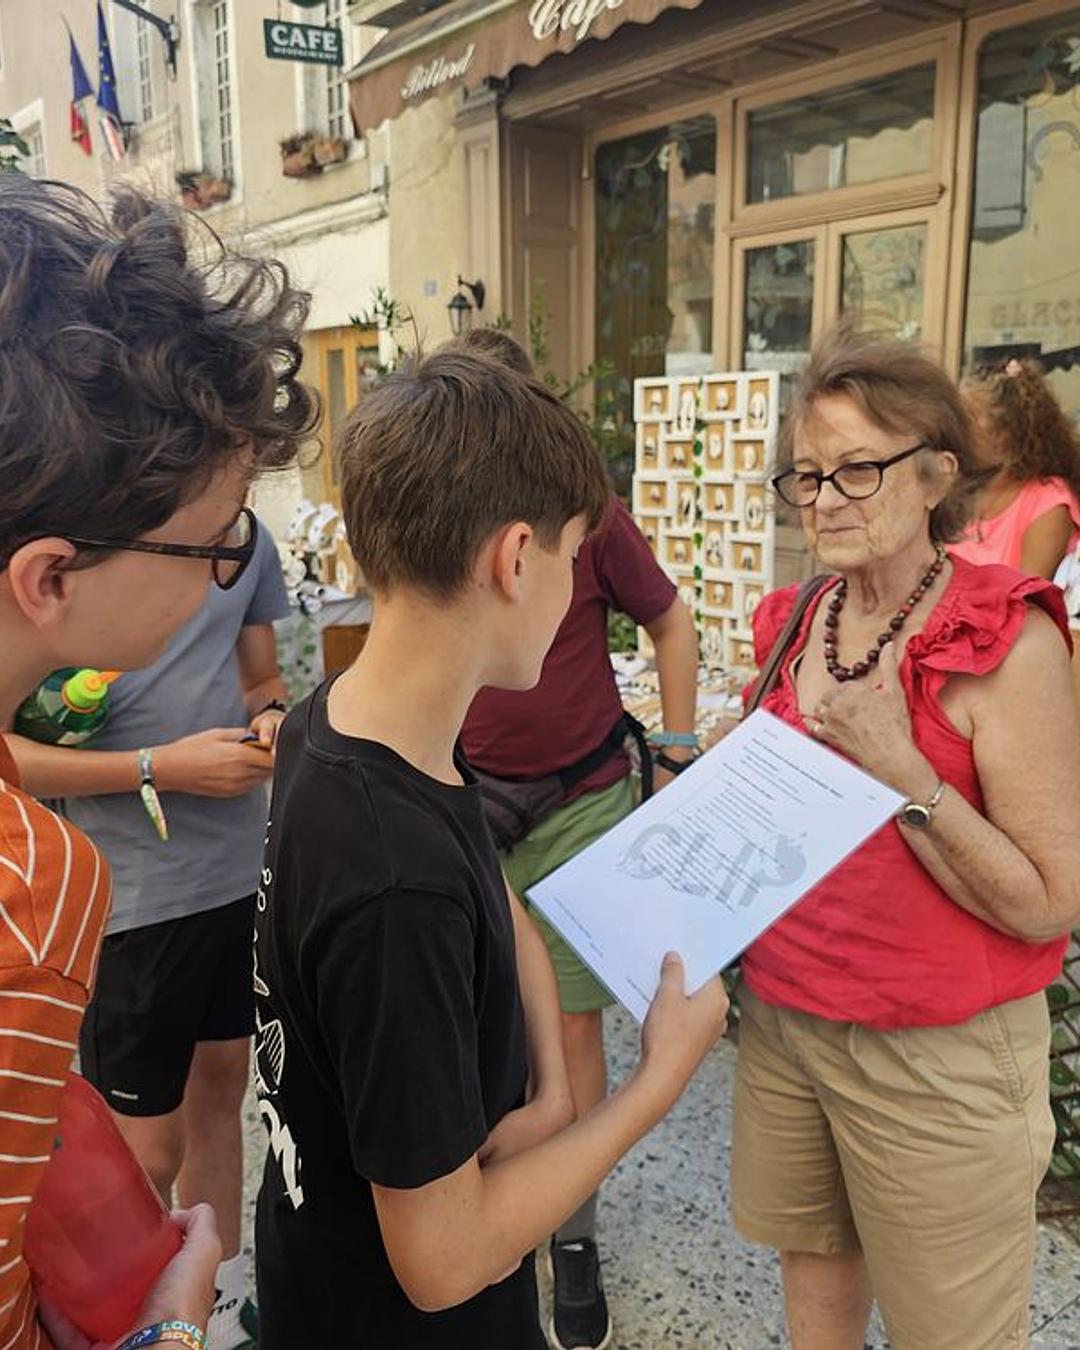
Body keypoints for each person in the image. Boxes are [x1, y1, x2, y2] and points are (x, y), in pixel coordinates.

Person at [253, 346, 729, 1348]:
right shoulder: (396, 886)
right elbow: (444, 1262)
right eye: (571, 557)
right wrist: (656, 1082)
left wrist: (555, 1093)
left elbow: (492, 884)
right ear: (516, 559)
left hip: (322, 1253)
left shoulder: (345, 719)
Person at [0, 174, 316, 1347]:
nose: (229, 565)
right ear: (50, 578)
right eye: (209, 543)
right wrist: (168, 1334)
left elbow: (263, 670)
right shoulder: (35, 892)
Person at [729, 325, 1080, 1350]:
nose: (827, 500)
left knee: (953, 1332)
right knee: (814, 1275)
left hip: (939, 1054)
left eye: (858, 469)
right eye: (808, 476)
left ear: (936, 473)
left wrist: (904, 772)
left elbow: (1050, 901)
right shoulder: (798, 619)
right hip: (786, 1022)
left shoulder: (1005, 639)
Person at [458, 328, 699, 1350]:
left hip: (580, 799)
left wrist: (677, 750)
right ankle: (482, 1204)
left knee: (571, 1029)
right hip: (466, 797)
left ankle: (572, 1226)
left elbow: (670, 620)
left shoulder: (590, 513)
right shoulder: (449, 510)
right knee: (479, 1021)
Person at [7, 516, 290, 1350]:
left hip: (234, 870)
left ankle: (221, 1300)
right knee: (141, 1146)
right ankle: (140, 1317)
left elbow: (261, 677)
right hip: (133, 893)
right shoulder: (85, 545)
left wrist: (272, 719)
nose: (208, 577)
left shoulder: (247, 543)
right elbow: (14, 755)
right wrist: (156, 768)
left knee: (222, 1093)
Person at [953, 356, 1080, 578]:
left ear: (1008, 431)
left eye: (968, 419)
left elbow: (1030, 595)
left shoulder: (1048, 502)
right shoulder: (956, 491)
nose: (955, 429)